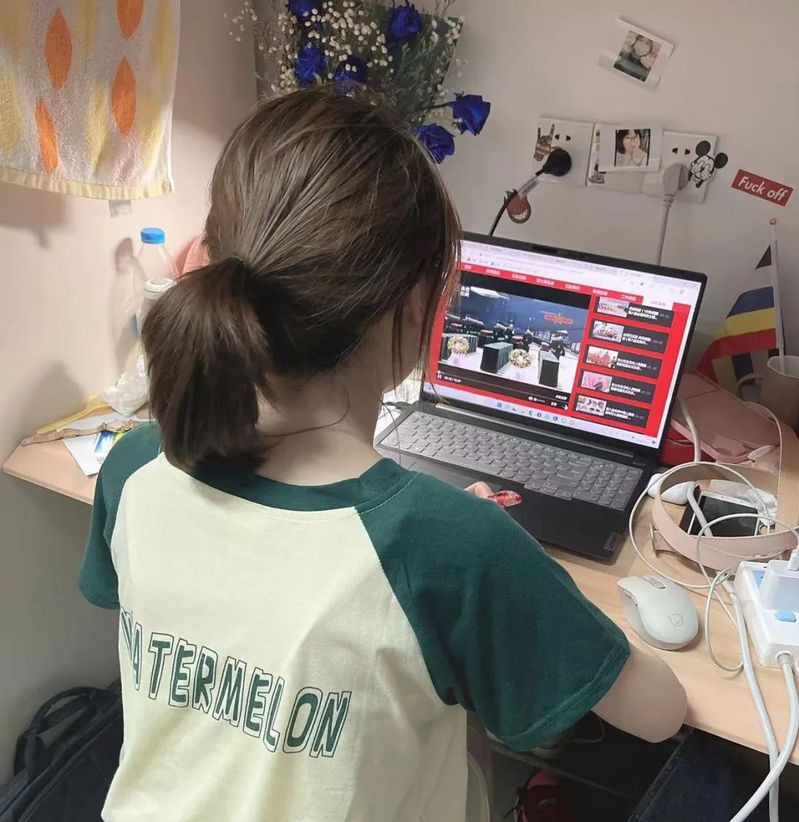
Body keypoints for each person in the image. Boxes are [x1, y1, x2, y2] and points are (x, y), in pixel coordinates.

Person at [79, 87, 686, 822]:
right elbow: (658, 715)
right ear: (419, 305)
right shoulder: (452, 546)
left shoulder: (135, 464)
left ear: (211, 261)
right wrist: (519, 576)